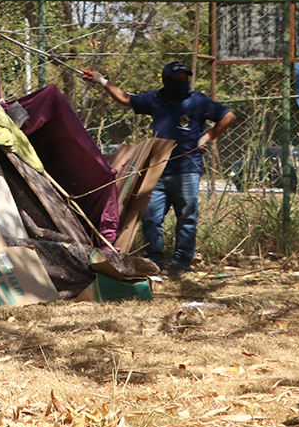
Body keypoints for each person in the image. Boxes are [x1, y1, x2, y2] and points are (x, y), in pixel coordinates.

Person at [86, 61, 236, 276]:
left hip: (187, 168)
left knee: (187, 218)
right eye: (177, 79)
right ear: (165, 81)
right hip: (157, 169)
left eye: (185, 78)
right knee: (151, 218)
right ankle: (154, 262)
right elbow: (125, 98)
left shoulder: (198, 101)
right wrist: (102, 81)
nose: (182, 82)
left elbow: (228, 116)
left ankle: (181, 264)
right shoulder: (154, 100)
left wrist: (208, 136)